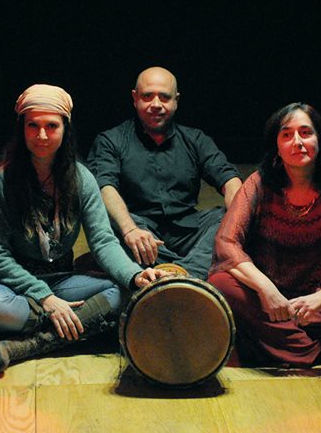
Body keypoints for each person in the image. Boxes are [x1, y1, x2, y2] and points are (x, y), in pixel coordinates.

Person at [0, 84, 167, 374]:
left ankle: (30, 344)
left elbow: (103, 241)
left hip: (62, 279)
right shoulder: (1, 182)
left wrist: (135, 274)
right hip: (14, 286)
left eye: (51, 126)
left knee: (127, 291)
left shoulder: (81, 179)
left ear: (65, 129)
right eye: (33, 125)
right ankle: (83, 323)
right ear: (22, 129)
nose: (42, 135)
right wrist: (46, 300)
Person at [209, 103, 321, 366]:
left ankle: (268, 344)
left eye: (306, 133)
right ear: (277, 147)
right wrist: (267, 290)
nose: (297, 141)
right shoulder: (258, 184)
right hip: (268, 300)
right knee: (220, 283)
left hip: (319, 302)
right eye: (287, 134)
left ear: (320, 142)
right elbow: (227, 243)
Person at [87, 66, 243, 280]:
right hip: (140, 232)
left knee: (232, 215)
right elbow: (104, 187)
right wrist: (130, 229)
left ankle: (177, 275)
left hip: (189, 231)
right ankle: (193, 273)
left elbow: (229, 178)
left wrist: (238, 213)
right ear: (135, 98)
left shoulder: (195, 140)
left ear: (176, 100)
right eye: (147, 96)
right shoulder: (111, 140)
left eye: (164, 97)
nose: (156, 104)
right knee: (109, 220)